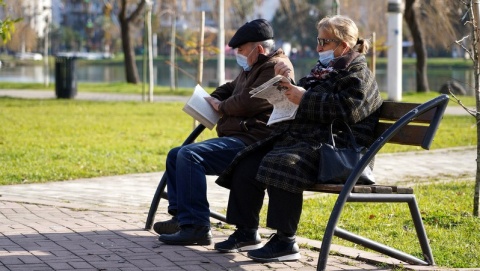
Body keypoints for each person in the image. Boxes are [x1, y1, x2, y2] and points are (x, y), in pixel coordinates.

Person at [214, 15, 383, 262]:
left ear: (344, 45)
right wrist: (284, 86)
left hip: (337, 150)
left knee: (281, 162)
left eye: (324, 42)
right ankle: (246, 231)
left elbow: (347, 110)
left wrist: (303, 98)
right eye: (318, 40)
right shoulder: (323, 71)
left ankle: (286, 241)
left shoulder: (359, 75)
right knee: (248, 159)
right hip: (308, 141)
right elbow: (300, 95)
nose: (318, 48)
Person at [156, 19, 295, 246]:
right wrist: (214, 97)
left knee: (190, 155)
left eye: (241, 50)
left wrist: (221, 106)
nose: (237, 55)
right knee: (176, 154)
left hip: (253, 140)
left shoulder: (274, 67)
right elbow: (230, 88)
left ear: (258, 49)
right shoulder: (252, 66)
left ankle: (196, 226)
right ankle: (182, 217)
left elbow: (250, 101)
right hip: (239, 137)